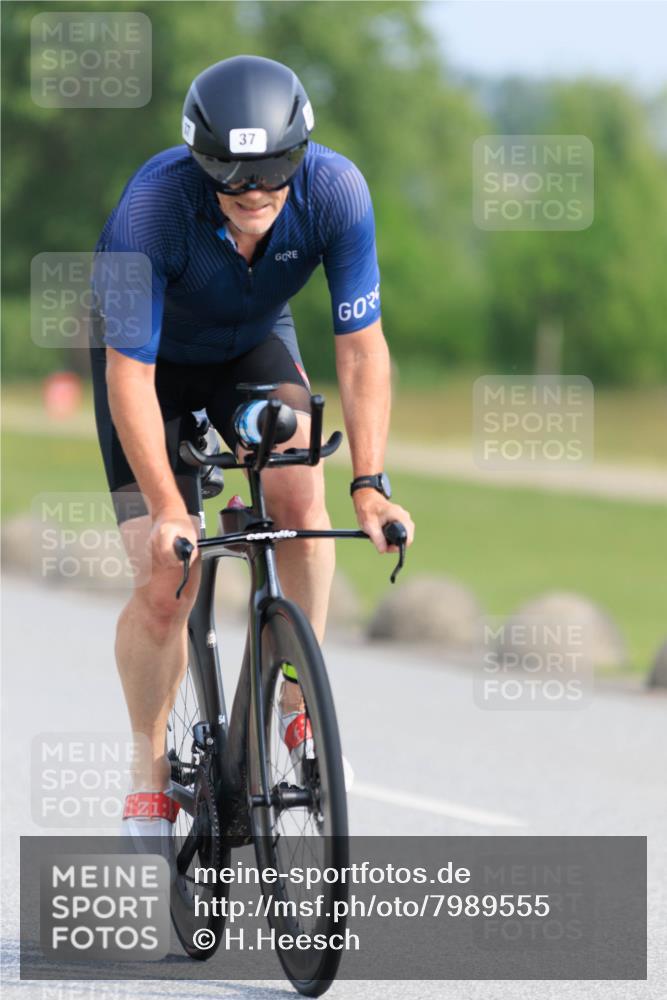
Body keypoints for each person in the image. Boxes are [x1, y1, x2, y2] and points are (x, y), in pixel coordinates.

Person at [90, 54, 415, 837]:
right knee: (167, 576)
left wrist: (368, 481)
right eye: (234, 181)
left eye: (272, 176)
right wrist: (169, 509)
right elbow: (128, 378)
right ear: (203, 167)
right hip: (151, 366)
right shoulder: (152, 210)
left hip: (251, 348)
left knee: (300, 490)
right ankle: (148, 765)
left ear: (299, 157)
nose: (255, 195)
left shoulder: (336, 192)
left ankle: (297, 707)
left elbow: (362, 348)